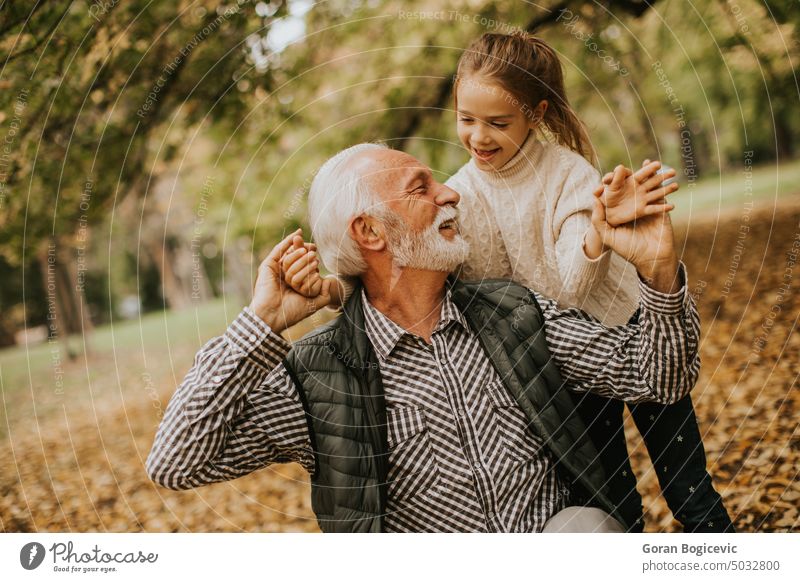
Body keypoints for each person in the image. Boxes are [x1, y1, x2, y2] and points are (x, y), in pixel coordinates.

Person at [285, 32, 733, 532]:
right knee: (612, 498)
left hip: (624, 334)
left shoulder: (568, 174)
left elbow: (570, 289)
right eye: (466, 120)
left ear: (536, 114)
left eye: (498, 123)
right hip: (558, 357)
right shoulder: (459, 193)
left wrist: (596, 238)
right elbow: (410, 270)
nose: (479, 137)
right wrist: (334, 291)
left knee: (689, 489)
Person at [147, 143, 701, 533]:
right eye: (422, 188)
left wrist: (657, 270)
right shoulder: (319, 378)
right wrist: (261, 324)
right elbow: (176, 462)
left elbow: (661, 376)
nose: (451, 193)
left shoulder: (513, 314)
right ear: (369, 231)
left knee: (588, 534)